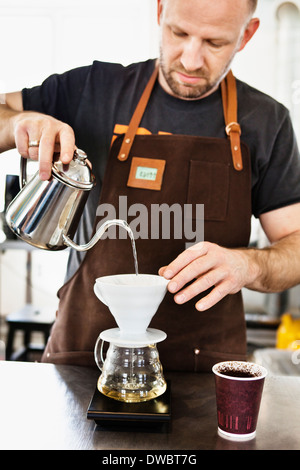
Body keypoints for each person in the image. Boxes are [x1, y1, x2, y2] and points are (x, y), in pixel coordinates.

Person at [1, 0, 300, 371]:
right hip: (87, 359)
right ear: (160, 13)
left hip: (205, 372)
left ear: (247, 35)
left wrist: (249, 265)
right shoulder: (93, 89)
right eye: (179, 33)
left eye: (214, 43)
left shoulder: (267, 121)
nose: (191, 60)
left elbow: (296, 245)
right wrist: (19, 123)